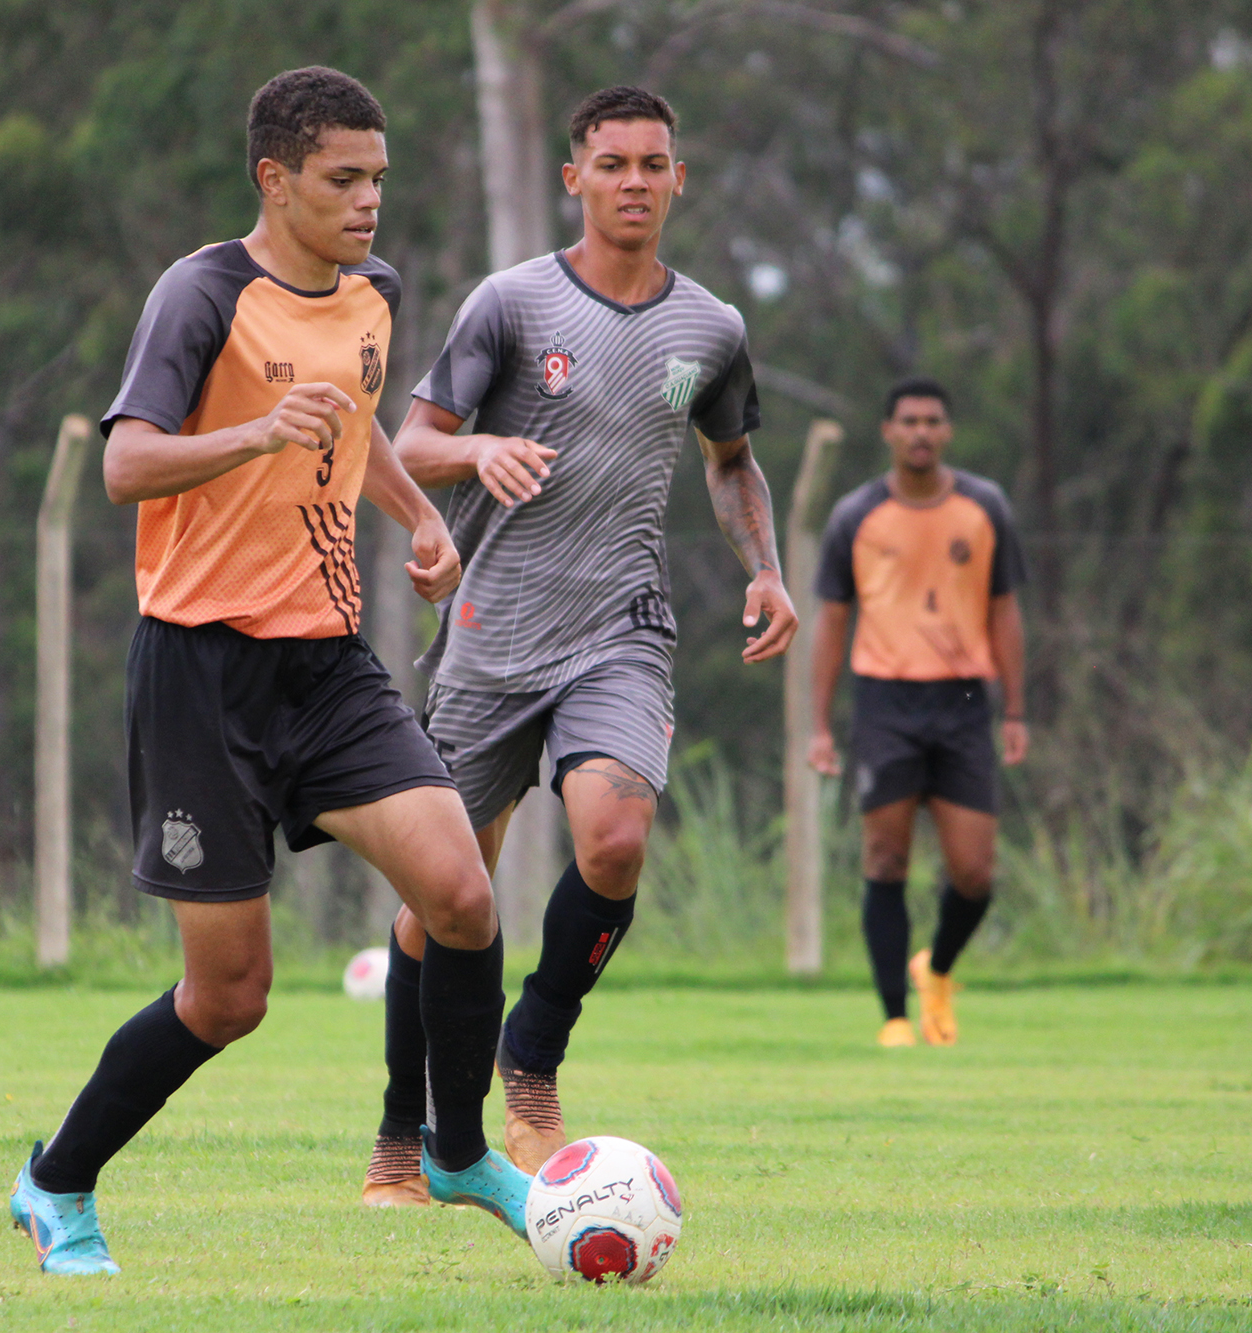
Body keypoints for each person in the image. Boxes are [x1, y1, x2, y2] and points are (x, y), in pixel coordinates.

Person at [7, 67, 530, 1275]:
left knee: (459, 892)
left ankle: (453, 1150)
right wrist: (253, 429)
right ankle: (56, 1181)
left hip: (329, 668)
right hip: (199, 675)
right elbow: (125, 468)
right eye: (343, 180)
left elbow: (351, 419)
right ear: (274, 178)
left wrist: (416, 515)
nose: (367, 204)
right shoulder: (200, 295)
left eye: (378, 180)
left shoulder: (375, 294)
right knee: (229, 996)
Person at [360, 85, 797, 1204]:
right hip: (491, 633)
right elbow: (409, 442)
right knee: (440, 900)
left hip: (620, 626)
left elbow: (730, 457)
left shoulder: (709, 327)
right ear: (575, 179)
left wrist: (766, 571)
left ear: (678, 179)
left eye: (654, 163)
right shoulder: (509, 305)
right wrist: (482, 451)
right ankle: (401, 1143)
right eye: (611, 164)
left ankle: (533, 1056)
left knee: (612, 839)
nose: (634, 181)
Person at [807, 378, 1029, 1048]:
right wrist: (818, 723)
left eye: (933, 420)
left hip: (963, 699)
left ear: (948, 430)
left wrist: (1016, 708)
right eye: (909, 421)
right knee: (885, 856)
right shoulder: (856, 515)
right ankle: (896, 1015)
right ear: (888, 431)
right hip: (885, 699)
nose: (921, 432)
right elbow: (831, 620)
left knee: (974, 870)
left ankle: (937, 966)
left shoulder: (985, 507)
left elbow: (1006, 611)